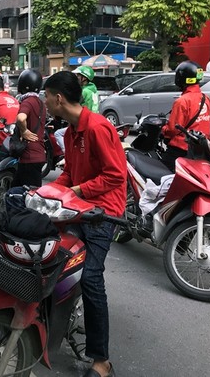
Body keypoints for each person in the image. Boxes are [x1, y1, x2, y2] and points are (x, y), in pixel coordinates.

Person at [43, 70, 126, 377]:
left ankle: (101, 361)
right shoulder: (70, 131)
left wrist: (76, 190)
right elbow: (70, 175)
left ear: (59, 98)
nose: (45, 102)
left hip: (104, 212)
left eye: (47, 97)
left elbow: (115, 176)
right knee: (46, 255)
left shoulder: (98, 128)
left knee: (91, 279)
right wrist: (47, 190)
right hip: (78, 209)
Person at [160, 60, 210, 171]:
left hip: (181, 148)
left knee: (161, 172)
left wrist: (163, 129)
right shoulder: (205, 98)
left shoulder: (182, 101)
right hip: (200, 148)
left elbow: (173, 129)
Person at [12, 69, 46, 188]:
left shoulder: (27, 102)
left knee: (30, 197)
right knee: (15, 190)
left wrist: (24, 130)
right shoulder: (40, 103)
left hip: (29, 156)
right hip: (39, 154)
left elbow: (21, 118)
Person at [55, 66, 99, 152]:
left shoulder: (84, 92)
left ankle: (67, 154)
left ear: (84, 78)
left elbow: (73, 105)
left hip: (84, 122)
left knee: (58, 133)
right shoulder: (93, 90)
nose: (77, 78)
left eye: (78, 76)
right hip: (93, 119)